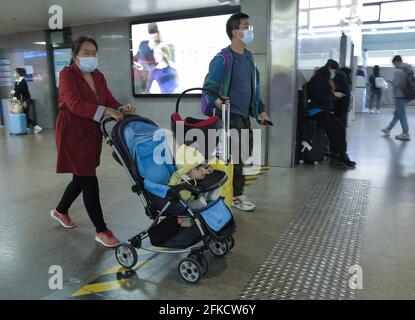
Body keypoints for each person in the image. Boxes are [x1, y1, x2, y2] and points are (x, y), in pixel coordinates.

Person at [51, 36, 136, 248]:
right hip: (73, 131)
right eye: (86, 53)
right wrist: (107, 111)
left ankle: (60, 211)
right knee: (88, 178)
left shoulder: (97, 75)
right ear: (74, 55)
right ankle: (101, 230)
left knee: (80, 176)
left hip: (91, 130)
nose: (91, 57)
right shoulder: (67, 74)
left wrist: (121, 108)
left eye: (94, 53)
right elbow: (74, 104)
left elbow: (107, 99)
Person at [202, 12, 271, 212]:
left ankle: (224, 190)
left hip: (243, 115)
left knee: (242, 154)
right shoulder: (223, 58)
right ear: (235, 31)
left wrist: (261, 111)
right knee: (236, 156)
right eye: (246, 26)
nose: (250, 31)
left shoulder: (248, 58)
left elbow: (253, 88)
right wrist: (216, 101)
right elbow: (210, 85)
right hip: (227, 116)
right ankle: (235, 195)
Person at [307, 65, 356, 169]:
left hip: (322, 110)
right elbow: (319, 98)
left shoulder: (322, 81)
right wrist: (333, 95)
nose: (333, 74)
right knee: (334, 130)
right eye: (332, 72)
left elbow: (323, 96)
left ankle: (342, 155)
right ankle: (335, 157)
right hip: (315, 110)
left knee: (341, 128)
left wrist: (333, 94)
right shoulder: (316, 82)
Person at [169, 145, 220, 210]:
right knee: (186, 204)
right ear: (187, 172)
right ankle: (197, 203)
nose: (202, 170)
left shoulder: (196, 173)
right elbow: (183, 197)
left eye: (202, 167)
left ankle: (206, 196)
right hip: (186, 199)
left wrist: (209, 170)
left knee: (203, 189)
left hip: (196, 192)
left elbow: (207, 169)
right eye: (198, 169)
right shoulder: (183, 181)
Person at [382, 55, 412, 141]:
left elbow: (396, 84)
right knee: (397, 114)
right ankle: (388, 129)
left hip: (399, 95)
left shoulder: (398, 71)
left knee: (401, 114)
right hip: (405, 95)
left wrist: (391, 82)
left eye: (394, 64)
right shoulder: (407, 69)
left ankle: (405, 133)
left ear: (397, 62)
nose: (394, 66)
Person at [11, 68, 42, 133]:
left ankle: (37, 127)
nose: (14, 74)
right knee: (24, 115)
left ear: (18, 73)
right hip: (21, 101)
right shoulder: (17, 81)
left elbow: (20, 91)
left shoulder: (23, 81)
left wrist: (16, 95)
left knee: (25, 115)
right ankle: (27, 128)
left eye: (15, 73)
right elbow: (15, 90)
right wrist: (13, 95)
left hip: (25, 100)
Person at [133, 23, 160, 93]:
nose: (154, 40)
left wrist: (145, 68)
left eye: (155, 37)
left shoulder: (160, 47)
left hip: (150, 78)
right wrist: (133, 62)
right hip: (138, 78)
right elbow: (136, 57)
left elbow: (160, 65)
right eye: (152, 37)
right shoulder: (143, 44)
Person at [326, 59, 351, 128]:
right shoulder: (340, 73)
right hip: (343, 97)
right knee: (341, 116)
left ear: (330, 67)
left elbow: (336, 86)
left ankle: (340, 131)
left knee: (341, 116)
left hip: (342, 98)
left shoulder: (338, 74)